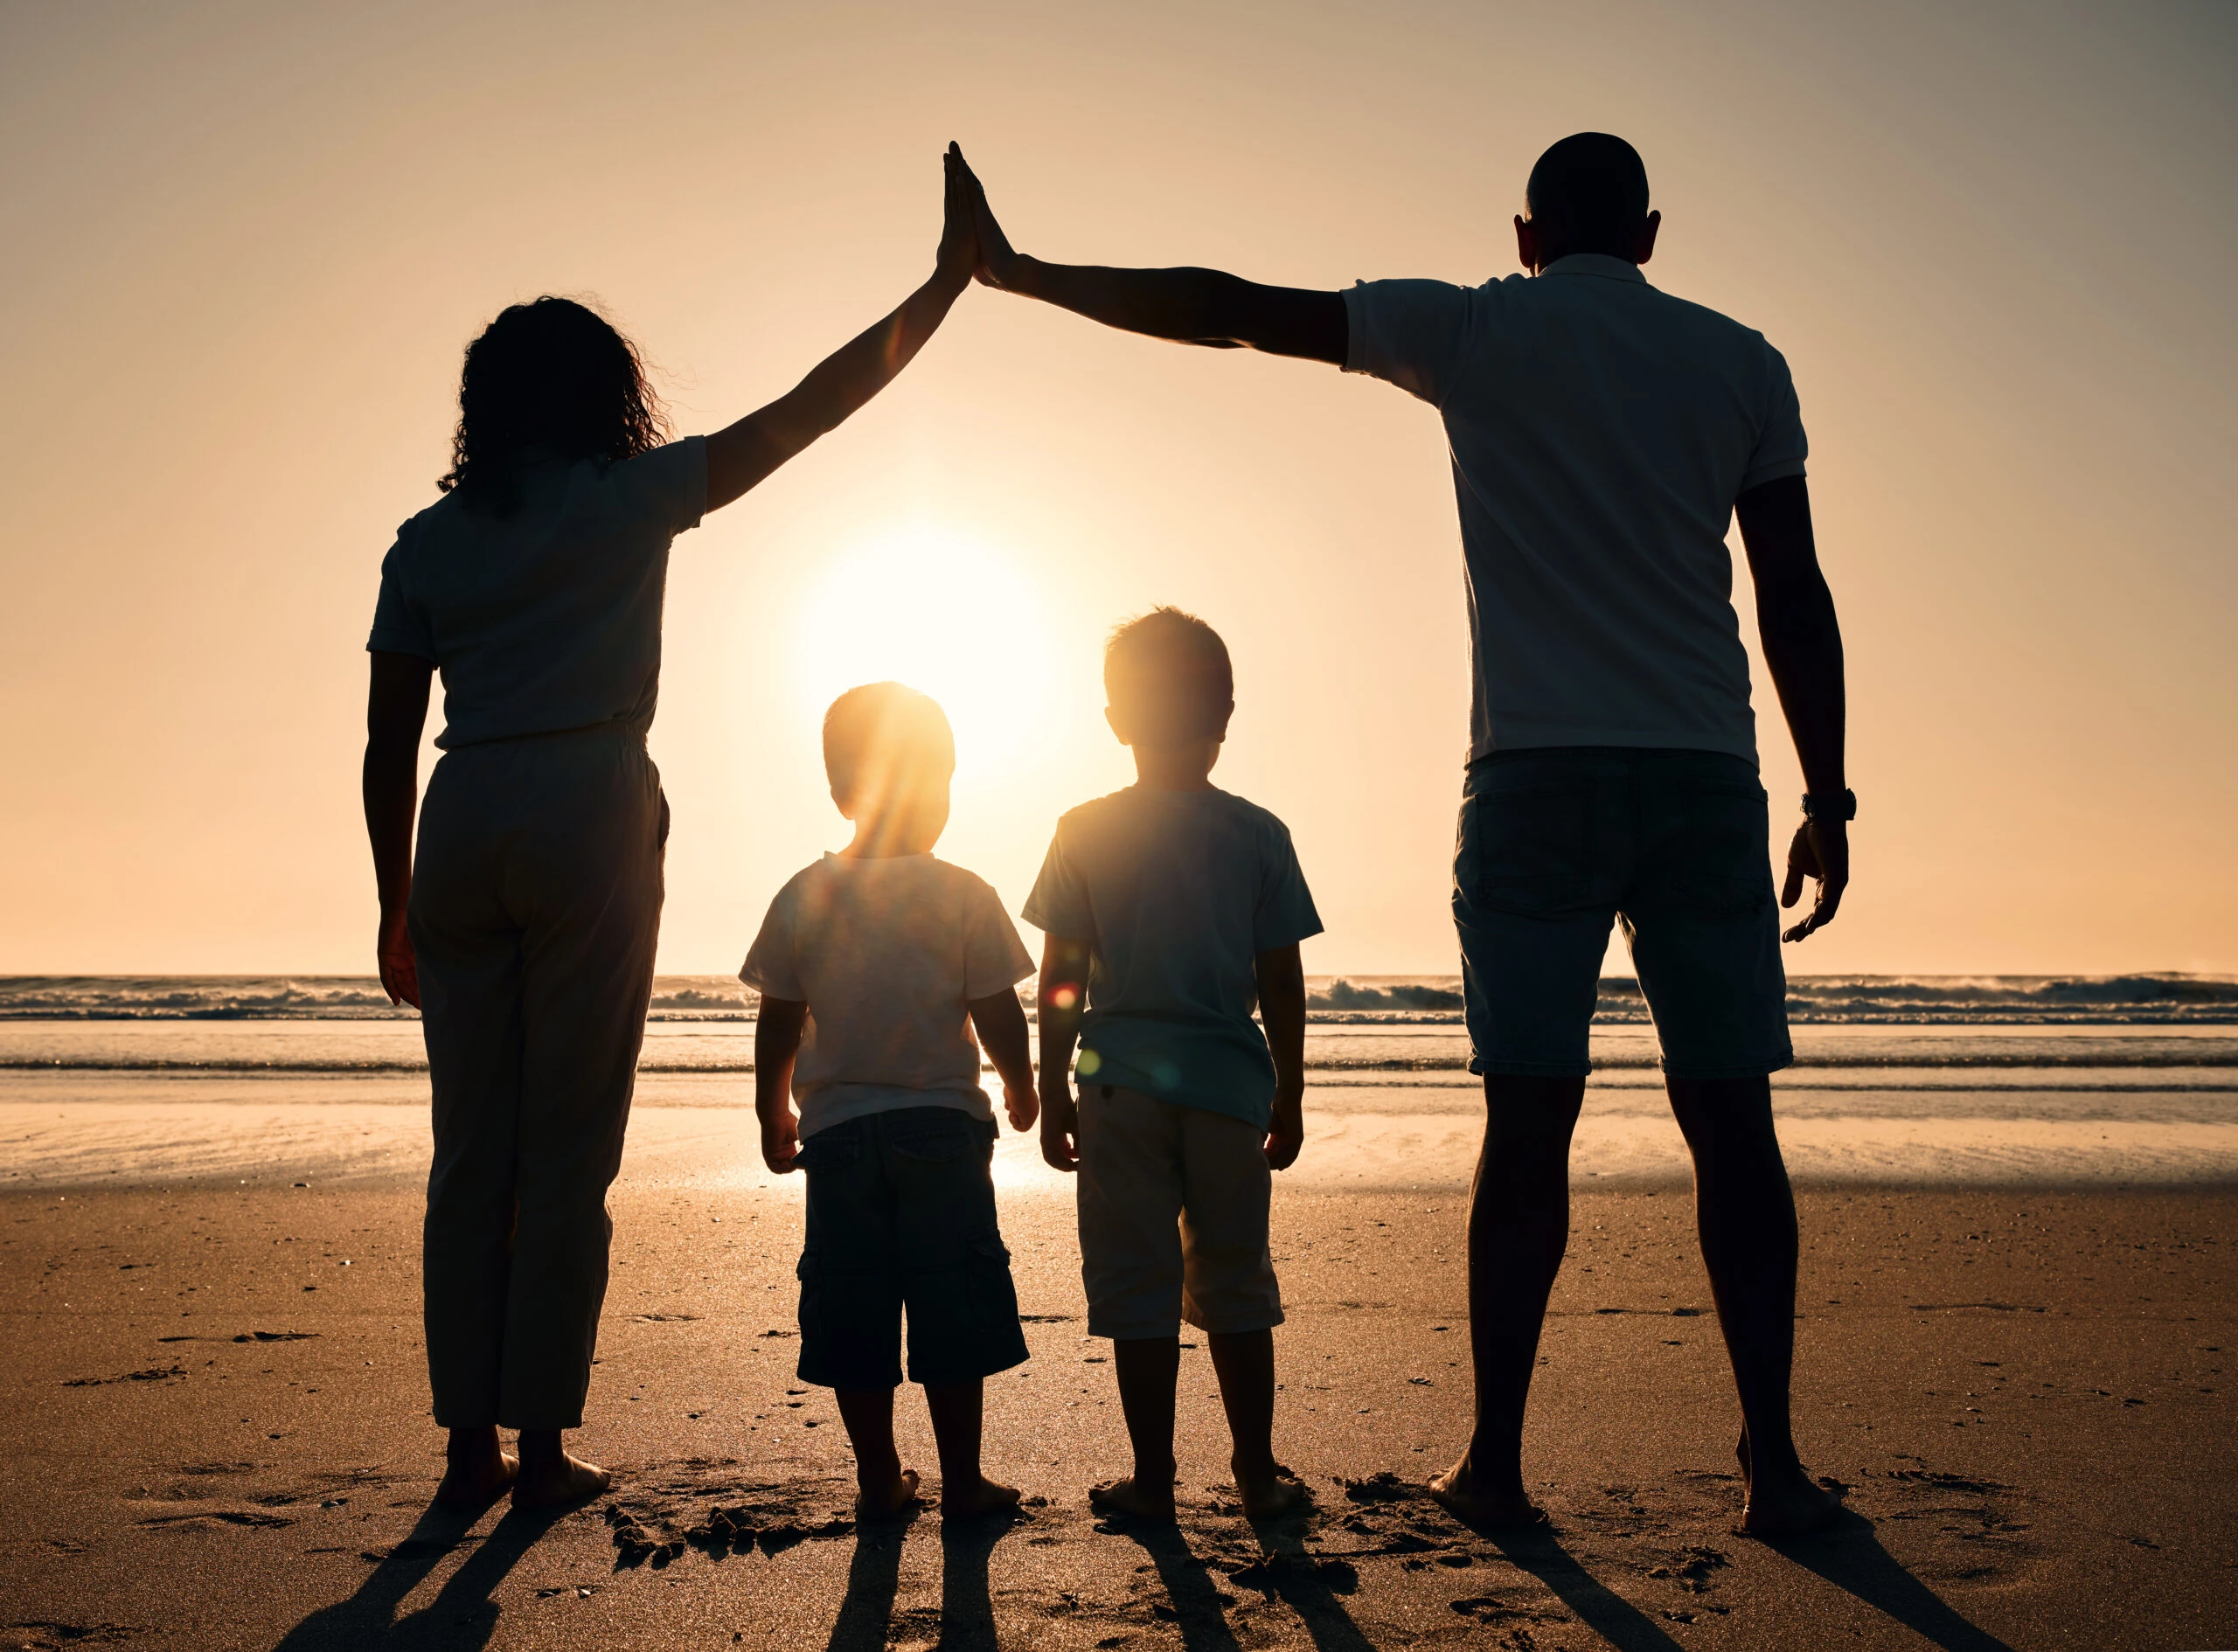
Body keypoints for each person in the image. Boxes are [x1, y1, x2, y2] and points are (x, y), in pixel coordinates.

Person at [956, 134, 1851, 1536]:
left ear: (1525, 231)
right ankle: (1775, 1466)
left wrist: (1023, 273)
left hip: (1536, 781)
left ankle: (1498, 1460)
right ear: (1656, 234)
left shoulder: (1478, 324)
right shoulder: (1743, 358)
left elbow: (1233, 304)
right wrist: (1830, 791)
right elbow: (1794, 591)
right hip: (1699, 772)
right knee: (1732, 1118)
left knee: (1530, 1118)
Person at [360, 145, 983, 1510]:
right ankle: (535, 1450)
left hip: (462, 812)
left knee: (471, 1148)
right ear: (605, 397)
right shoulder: (630, 496)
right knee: (569, 1146)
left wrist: (393, 896)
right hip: (586, 806)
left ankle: (465, 1444)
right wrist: (942, 288)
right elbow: (811, 409)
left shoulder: (425, 541)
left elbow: (385, 739)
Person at [1027, 608, 1320, 1524]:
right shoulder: (1258, 834)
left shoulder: (1083, 829)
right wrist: (1292, 1090)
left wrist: (1050, 1083)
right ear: (1225, 713)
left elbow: (1062, 976)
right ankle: (1255, 1470)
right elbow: (1280, 977)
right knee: (1235, 1277)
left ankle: (1153, 1480)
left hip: (1116, 1085)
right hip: (1229, 1086)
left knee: (1135, 1282)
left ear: (1116, 718)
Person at [741, 684, 1038, 1520]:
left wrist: (773, 1108)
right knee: (951, 1298)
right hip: (941, 1128)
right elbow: (996, 1009)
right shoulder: (963, 892)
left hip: (838, 1136)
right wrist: (1022, 1082)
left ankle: (879, 1481)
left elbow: (780, 1015)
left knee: (855, 1303)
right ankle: (963, 1481)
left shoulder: (806, 892)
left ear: (841, 789)